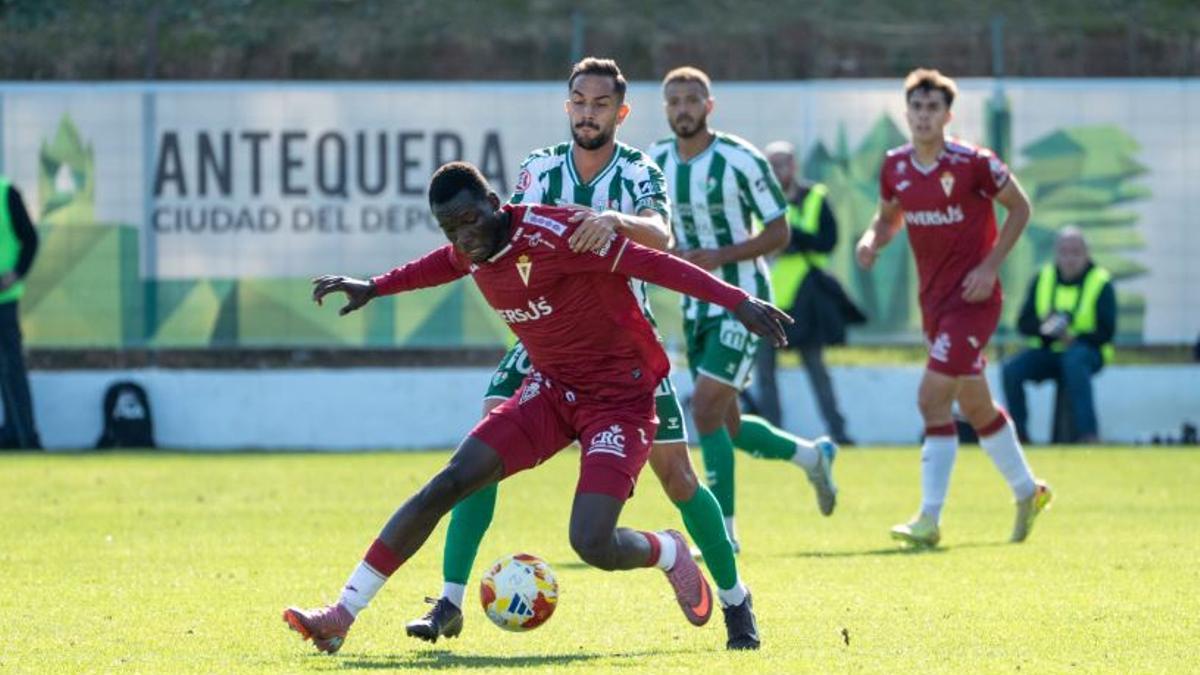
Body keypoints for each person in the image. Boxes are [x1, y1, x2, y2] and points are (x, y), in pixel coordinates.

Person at [284, 161, 791, 655]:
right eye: (449, 228)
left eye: (468, 220)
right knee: (451, 481)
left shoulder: (559, 234)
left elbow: (652, 262)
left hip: (621, 400)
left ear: (492, 203)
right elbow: (441, 265)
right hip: (549, 391)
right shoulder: (471, 247)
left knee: (592, 542)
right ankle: (342, 614)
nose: (462, 236)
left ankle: (670, 552)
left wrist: (736, 301)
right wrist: (376, 286)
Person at [408, 58, 761, 650]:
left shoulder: (638, 169)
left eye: (601, 104)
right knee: (482, 448)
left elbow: (662, 234)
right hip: (543, 340)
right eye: (579, 101)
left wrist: (612, 221)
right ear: (567, 106)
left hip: (623, 345)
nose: (588, 112)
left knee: (676, 475)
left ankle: (736, 602)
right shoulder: (538, 168)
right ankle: (447, 599)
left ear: (620, 113)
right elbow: (504, 233)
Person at [855, 68, 1053, 547]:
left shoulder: (974, 162)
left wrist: (989, 268)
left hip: (974, 301)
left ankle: (929, 518)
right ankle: (1029, 491)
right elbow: (888, 219)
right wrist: (871, 240)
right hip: (934, 303)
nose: (924, 117)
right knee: (975, 403)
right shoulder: (895, 166)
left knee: (931, 399)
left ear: (948, 115)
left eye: (932, 108)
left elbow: (1020, 208)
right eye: (916, 108)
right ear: (907, 113)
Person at [647, 67, 838, 553]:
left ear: (710, 106)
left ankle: (725, 534)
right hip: (695, 306)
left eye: (692, 100)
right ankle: (811, 457)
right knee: (726, 424)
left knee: (707, 409)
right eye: (675, 101)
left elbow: (780, 232)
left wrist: (722, 255)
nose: (683, 108)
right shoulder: (655, 163)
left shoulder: (740, 160)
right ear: (666, 108)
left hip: (743, 301)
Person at [752, 140, 855, 444]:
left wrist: (792, 238)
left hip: (805, 299)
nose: (778, 170)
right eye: (772, 164)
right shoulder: (759, 201)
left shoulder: (815, 197)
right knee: (765, 374)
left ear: (794, 165)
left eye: (783, 163)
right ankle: (774, 436)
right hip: (767, 299)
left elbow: (828, 240)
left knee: (817, 371)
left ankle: (839, 431)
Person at [1002, 227, 1115, 444]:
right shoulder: (1043, 278)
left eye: (1076, 252)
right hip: (1049, 351)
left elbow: (1106, 332)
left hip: (1088, 353)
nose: (1069, 258)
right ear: (1056, 253)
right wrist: (1046, 329)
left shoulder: (1101, 281)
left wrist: (1073, 337)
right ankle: (1019, 436)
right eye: (1064, 252)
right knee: (1011, 369)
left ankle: (1087, 435)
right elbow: (1024, 324)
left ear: (1087, 254)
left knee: (1075, 359)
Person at [0, 177, 41, 450]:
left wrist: (16, 273)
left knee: (10, 368)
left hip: (3, 299)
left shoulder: (6, 193)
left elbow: (30, 239)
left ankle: (23, 434)